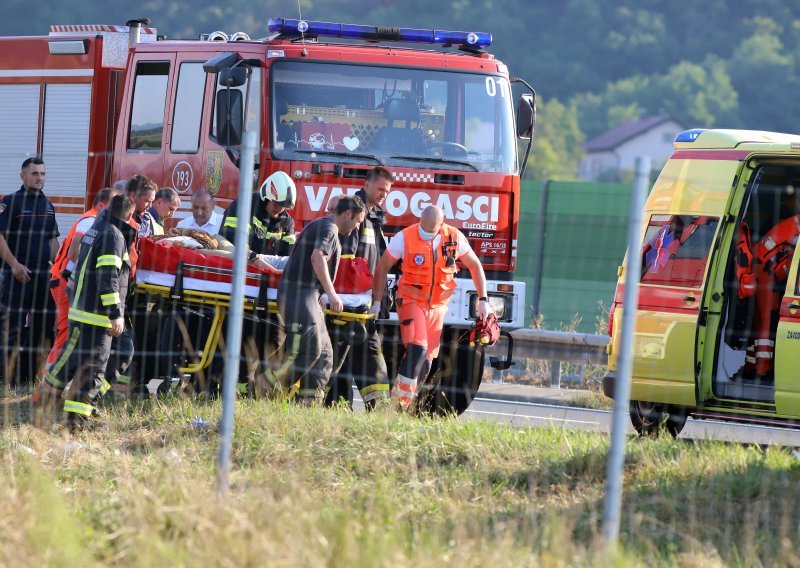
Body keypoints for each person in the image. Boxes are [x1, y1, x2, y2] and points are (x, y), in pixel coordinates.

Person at [372, 205, 490, 408]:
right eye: (422, 229)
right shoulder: (405, 237)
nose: (424, 234)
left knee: (426, 362)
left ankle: (404, 406)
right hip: (410, 300)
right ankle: (396, 406)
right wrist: (376, 301)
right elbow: (382, 266)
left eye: (430, 231)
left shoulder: (454, 237)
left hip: (437, 307)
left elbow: (474, 265)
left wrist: (483, 299)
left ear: (441, 226)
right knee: (418, 349)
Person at [36, 194, 137, 428]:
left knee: (106, 354)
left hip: (86, 309)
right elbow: (108, 277)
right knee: (92, 365)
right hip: (96, 313)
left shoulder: (98, 227)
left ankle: (73, 402)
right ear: (129, 216)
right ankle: (76, 417)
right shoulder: (112, 235)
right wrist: (115, 313)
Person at [277, 195, 366, 405]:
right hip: (300, 296)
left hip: (310, 297)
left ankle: (310, 406)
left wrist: (322, 296)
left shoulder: (321, 224)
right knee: (310, 351)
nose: (356, 228)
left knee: (325, 355)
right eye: (357, 221)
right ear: (347, 214)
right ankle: (266, 388)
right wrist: (331, 293)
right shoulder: (330, 229)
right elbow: (317, 257)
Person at [327, 167, 393, 409]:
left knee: (361, 354)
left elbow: (376, 261)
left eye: (386, 192)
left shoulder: (374, 216)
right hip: (347, 302)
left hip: (362, 303)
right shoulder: (355, 213)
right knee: (342, 356)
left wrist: (378, 299)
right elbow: (346, 259)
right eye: (380, 190)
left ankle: (376, 408)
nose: (383, 195)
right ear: (366, 185)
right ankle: (336, 406)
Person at [0, 157, 59, 387]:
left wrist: (59, 269)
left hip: (42, 277)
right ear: (23, 176)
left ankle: (32, 377)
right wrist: (14, 264)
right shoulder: (11, 202)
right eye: (34, 174)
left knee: (43, 329)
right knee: (11, 328)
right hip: (16, 275)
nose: (39, 178)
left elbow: (53, 241)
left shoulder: (47, 205)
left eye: (42, 174)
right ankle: (7, 379)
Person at [44, 187, 118, 372]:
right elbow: (74, 252)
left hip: (62, 279)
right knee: (67, 333)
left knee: (70, 333)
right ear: (101, 205)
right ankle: (47, 383)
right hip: (65, 280)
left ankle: (51, 380)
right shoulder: (91, 221)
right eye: (112, 205)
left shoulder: (90, 219)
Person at [220, 170, 297, 258]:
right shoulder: (244, 206)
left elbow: (290, 256)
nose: (279, 210)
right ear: (266, 197)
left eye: (283, 207)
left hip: (268, 269)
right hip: (239, 266)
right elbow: (232, 242)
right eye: (276, 204)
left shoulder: (287, 222)